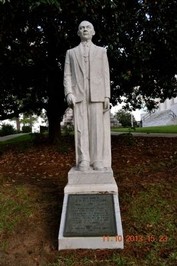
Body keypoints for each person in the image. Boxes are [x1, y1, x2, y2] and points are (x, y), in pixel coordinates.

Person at [63, 20, 111, 171]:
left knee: (96, 128)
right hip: (79, 95)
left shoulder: (102, 51)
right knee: (81, 129)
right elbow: (67, 75)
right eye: (81, 28)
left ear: (93, 32)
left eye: (87, 27)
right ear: (78, 33)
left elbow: (105, 74)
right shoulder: (71, 53)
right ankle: (84, 159)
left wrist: (107, 96)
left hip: (97, 94)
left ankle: (97, 160)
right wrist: (69, 92)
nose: (84, 29)